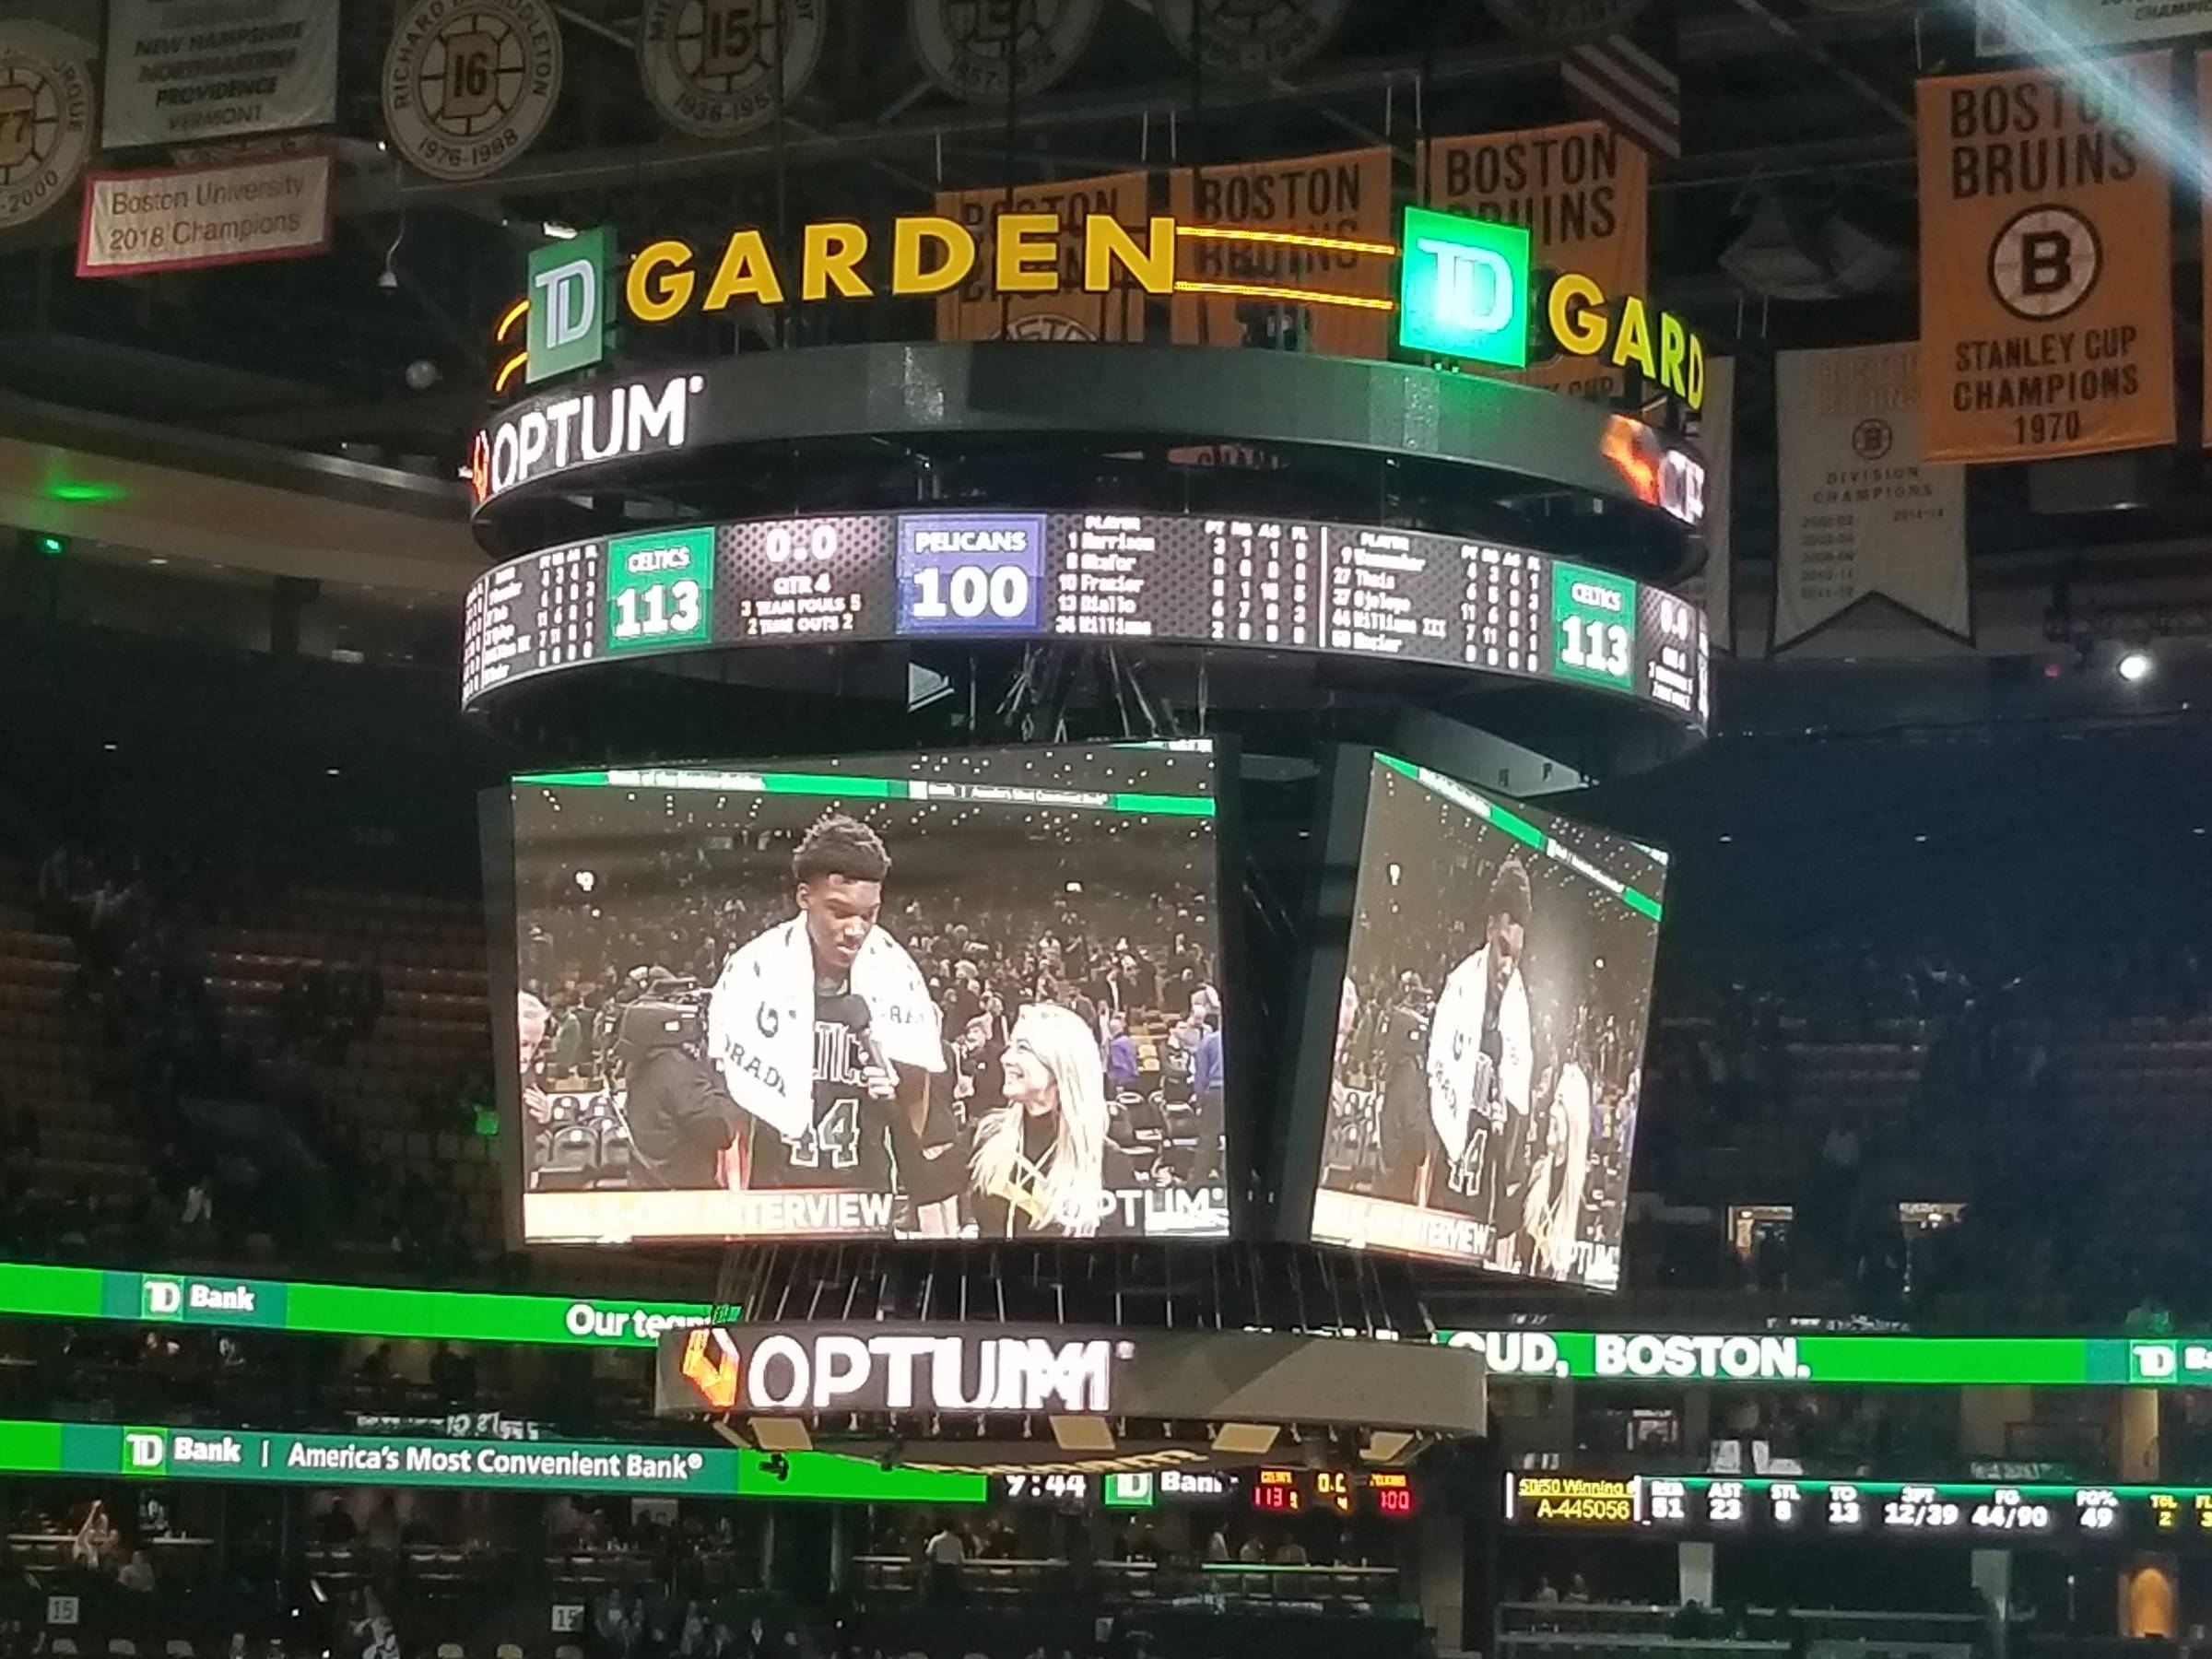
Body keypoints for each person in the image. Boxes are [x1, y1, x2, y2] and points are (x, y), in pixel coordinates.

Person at [709, 815, 946, 1207]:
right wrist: (737, 1197)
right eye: (840, 911)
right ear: (805, 898)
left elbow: (915, 1094)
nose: (855, 929)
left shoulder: (898, 976)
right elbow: (733, 1104)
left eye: (868, 915)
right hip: (776, 1199)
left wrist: (903, 1176)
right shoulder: (754, 970)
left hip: (866, 1199)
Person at [1424, 859, 1535, 1240]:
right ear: (1490, 929)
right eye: (1503, 949)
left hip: (1483, 1206)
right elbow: (1435, 1082)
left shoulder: (1519, 1018)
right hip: (1444, 1192)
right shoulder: (1457, 992)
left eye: (1516, 956)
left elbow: (1518, 1104)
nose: (1507, 967)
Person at [971, 1004, 1134, 1237]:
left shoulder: (1110, 1165)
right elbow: (926, 1185)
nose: (1006, 1058)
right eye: (1011, 1046)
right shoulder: (985, 1139)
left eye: (1023, 1048)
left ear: (1061, 1065)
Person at [624, 996, 747, 1190]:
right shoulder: (675, 1069)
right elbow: (718, 1129)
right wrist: (721, 1081)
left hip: (649, 1186)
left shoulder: (644, 1065)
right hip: (684, 1194)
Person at [518, 993, 554, 1125]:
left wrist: (545, 1119)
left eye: (534, 1046)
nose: (527, 1055)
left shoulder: (535, 1074)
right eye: (523, 1044)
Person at [924, 1519, 965, 1604]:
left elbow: (928, 1553)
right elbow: (961, 1558)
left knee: (939, 1593)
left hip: (939, 1569)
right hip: (952, 1570)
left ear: (943, 1528)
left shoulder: (936, 1539)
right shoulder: (957, 1541)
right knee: (950, 1594)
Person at [1105, 1016, 1139, 1094]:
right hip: (1133, 1076)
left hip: (1123, 1080)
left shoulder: (1115, 1045)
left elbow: (1119, 1065)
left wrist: (1118, 1084)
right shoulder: (1127, 1040)